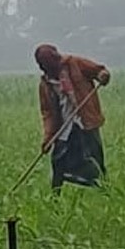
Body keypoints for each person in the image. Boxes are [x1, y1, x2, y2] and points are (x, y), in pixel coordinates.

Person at [34, 43, 111, 193]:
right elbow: (48, 113)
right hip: (64, 126)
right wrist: (48, 137)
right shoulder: (46, 84)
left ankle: (103, 189)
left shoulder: (74, 63)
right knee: (59, 160)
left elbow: (99, 71)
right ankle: (55, 196)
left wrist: (103, 76)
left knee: (94, 157)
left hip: (85, 121)